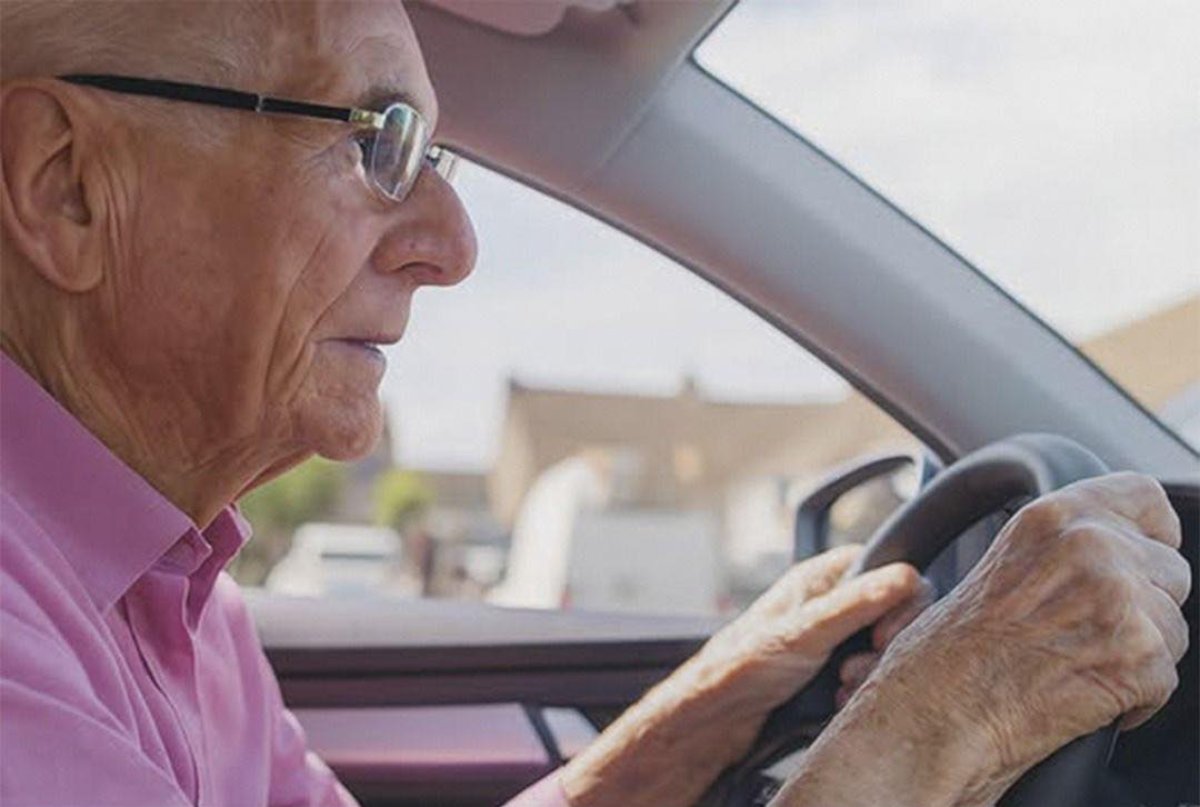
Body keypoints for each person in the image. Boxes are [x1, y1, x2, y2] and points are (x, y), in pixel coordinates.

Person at [0, 3, 1188, 806]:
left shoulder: (174, 585)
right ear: (67, 190)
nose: (449, 244)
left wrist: (709, 705)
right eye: (377, 142)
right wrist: (943, 722)